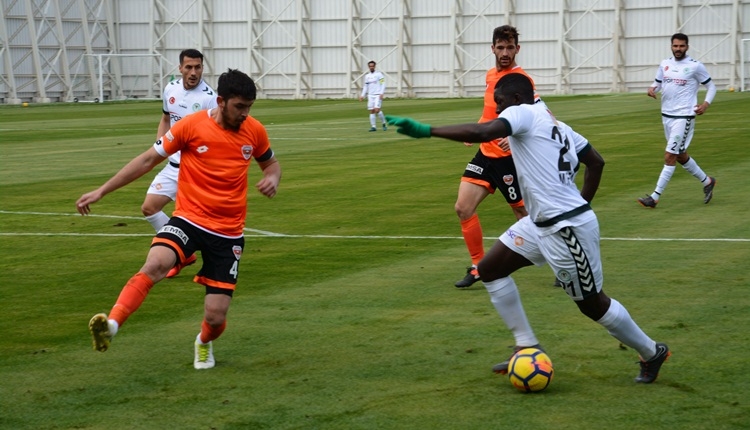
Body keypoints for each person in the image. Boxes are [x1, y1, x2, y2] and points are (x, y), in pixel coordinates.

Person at [387, 73, 670, 383]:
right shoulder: (557, 126)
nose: (498, 110)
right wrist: (580, 200)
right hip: (540, 223)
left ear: (517, 99)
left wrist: (428, 130)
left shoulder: (521, 112)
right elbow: (596, 162)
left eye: (501, 103)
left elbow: (483, 131)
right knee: (490, 269)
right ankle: (526, 344)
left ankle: (652, 351)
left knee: (593, 305)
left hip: (567, 230)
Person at [76, 69, 282, 370]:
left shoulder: (255, 130)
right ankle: (112, 325)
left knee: (216, 316)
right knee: (156, 263)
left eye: (249, 107)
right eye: (240, 107)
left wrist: (272, 178)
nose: (245, 114)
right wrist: (102, 190)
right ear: (221, 101)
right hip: (189, 218)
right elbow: (148, 160)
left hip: (227, 233)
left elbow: (271, 164)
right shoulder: (191, 126)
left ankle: (203, 341)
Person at [454, 25, 534, 289]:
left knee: (525, 216)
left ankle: (562, 260)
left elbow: (535, 116)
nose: (505, 53)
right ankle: (478, 266)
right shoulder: (490, 75)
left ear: (517, 49)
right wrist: (476, 130)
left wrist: (512, 137)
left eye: (510, 47)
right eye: (500, 47)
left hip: (508, 160)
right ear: (492, 49)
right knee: (463, 208)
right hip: (485, 155)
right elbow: (489, 113)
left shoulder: (522, 80)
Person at [143, 49, 218, 278]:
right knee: (149, 208)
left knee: (204, 222)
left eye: (198, 67)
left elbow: (216, 135)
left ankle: (216, 266)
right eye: (189, 67)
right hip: (174, 166)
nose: (193, 72)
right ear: (180, 68)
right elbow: (166, 118)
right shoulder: (170, 89)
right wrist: (160, 148)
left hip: (197, 171)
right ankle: (185, 254)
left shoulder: (209, 98)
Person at [638, 33, 717, 208]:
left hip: (684, 116)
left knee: (670, 155)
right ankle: (707, 181)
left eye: (681, 46)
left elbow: (711, 86)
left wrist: (705, 104)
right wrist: (652, 89)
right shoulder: (665, 64)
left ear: (687, 47)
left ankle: (654, 197)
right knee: (680, 155)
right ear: (671, 46)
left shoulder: (695, 66)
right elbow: (658, 82)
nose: (678, 49)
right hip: (666, 115)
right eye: (675, 46)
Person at [358, 60, 387, 132]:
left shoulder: (379, 74)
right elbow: (365, 86)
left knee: (377, 110)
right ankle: (373, 127)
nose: (371, 67)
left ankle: (384, 123)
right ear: (368, 67)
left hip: (377, 94)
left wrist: (381, 93)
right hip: (370, 95)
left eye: (372, 66)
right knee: (371, 110)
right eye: (370, 66)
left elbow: (383, 84)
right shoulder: (367, 76)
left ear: (375, 66)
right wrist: (362, 95)